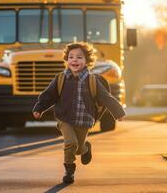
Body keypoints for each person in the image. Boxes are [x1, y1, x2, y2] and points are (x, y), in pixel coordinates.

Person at [32, 42, 126, 183]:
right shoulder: (61, 79)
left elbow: (105, 97)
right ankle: (69, 171)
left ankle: (85, 149)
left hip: (84, 120)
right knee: (70, 143)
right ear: (67, 60)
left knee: (77, 148)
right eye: (71, 57)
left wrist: (118, 112)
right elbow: (48, 95)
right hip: (64, 118)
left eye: (79, 57)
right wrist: (39, 108)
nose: (74, 60)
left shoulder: (92, 81)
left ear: (87, 61)